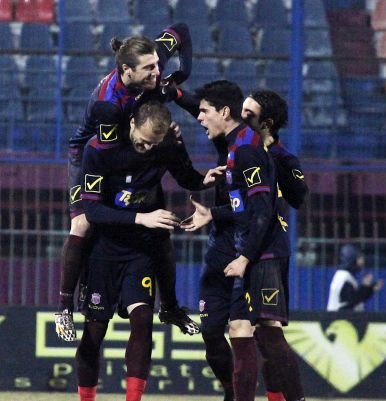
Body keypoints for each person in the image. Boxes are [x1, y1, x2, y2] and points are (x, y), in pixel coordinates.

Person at [55, 23, 199, 342]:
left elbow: (181, 30)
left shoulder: (149, 57)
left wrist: (183, 73)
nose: (157, 72)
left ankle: (171, 307)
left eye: (157, 65)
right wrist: (162, 137)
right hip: (91, 154)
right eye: (149, 69)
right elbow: (110, 154)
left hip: (131, 143)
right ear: (126, 71)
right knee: (82, 223)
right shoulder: (108, 105)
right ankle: (64, 306)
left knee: (159, 226)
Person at [75, 101, 219, 401]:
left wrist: (205, 180)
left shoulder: (165, 145)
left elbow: (186, 176)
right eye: (142, 141)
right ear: (132, 124)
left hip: (140, 250)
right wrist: (142, 217)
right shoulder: (100, 150)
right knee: (95, 331)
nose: (146, 148)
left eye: (153, 144)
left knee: (142, 320)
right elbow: (93, 211)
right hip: (104, 250)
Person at [180, 85, 306, 401]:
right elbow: (244, 207)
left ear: (266, 123)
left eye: (248, 113)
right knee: (239, 330)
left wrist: (245, 257)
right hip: (240, 246)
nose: (242, 114)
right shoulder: (236, 147)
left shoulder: (253, 150)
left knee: (267, 333)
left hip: (262, 250)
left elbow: (267, 207)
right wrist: (213, 213)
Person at [326, 244, 384, 311]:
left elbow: (354, 299)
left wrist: (370, 289)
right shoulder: (344, 278)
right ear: (351, 260)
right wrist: (365, 288)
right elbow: (351, 302)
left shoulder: (344, 275)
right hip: (339, 317)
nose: (362, 261)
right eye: (359, 258)